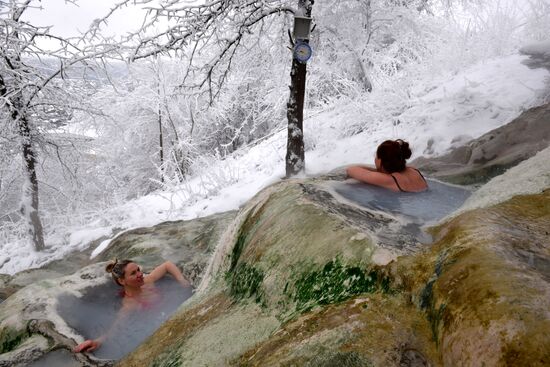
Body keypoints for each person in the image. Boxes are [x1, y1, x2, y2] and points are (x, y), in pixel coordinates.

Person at [73, 259, 191, 353]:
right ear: (122, 281)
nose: (140, 274)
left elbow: (167, 265)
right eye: (133, 273)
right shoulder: (130, 304)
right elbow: (116, 328)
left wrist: (181, 279)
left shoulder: (148, 281)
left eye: (138, 269)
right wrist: (97, 342)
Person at [346, 139, 427, 192]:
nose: (375, 159)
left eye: (376, 156)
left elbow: (351, 170)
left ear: (381, 160)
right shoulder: (414, 170)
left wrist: (376, 170)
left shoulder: (389, 179)